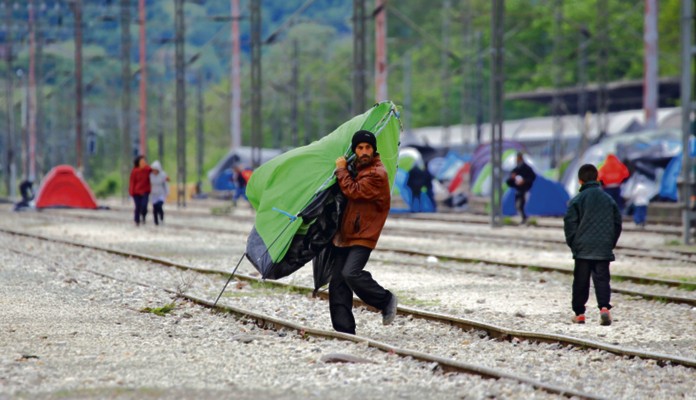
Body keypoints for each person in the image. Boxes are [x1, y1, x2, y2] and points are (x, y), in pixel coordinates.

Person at [328, 130, 398, 334]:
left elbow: (354, 190)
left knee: (351, 273)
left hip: (364, 234)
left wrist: (341, 171)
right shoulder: (356, 168)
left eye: (368, 147)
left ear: (374, 149)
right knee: (338, 282)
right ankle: (344, 331)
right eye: (360, 148)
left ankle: (385, 300)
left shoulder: (377, 174)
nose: (364, 151)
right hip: (346, 234)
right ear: (355, 150)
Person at [564, 164, 622, 326]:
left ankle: (580, 314)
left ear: (580, 181)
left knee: (581, 281)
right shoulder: (608, 199)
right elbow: (617, 223)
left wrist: (574, 244)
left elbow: (569, 224)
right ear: (597, 178)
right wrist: (610, 243)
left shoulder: (577, 200)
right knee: (602, 279)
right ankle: (604, 309)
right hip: (603, 247)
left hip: (582, 248)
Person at [506, 152, 536, 224]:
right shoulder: (516, 169)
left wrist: (524, 181)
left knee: (522, 205)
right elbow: (509, 181)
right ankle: (524, 218)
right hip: (518, 189)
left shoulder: (527, 168)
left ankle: (525, 219)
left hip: (525, 189)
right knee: (518, 205)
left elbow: (532, 177)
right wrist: (512, 178)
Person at [129, 155, 152, 226]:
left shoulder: (148, 170)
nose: (143, 162)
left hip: (145, 191)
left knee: (144, 206)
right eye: (141, 161)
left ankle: (143, 216)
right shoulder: (135, 171)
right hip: (136, 192)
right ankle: (137, 220)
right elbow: (132, 182)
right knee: (137, 206)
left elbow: (155, 172)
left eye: (144, 161)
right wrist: (131, 191)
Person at [149, 160, 169, 225]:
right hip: (154, 193)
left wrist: (167, 192)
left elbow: (165, 184)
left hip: (161, 193)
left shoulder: (163, 175)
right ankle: (156, 221)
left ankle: (161, 215)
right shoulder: (150, 175)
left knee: (159, 206)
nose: (154, 171)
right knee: (155, 208)